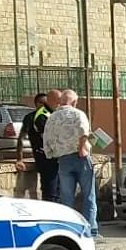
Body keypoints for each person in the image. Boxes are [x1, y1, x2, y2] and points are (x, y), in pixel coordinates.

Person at [43, 89, 98, 237]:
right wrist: (82, 148)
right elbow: (83, 132)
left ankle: (69, 228)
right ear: (74, 102)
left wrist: (51, 154)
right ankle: (90, 229)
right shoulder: (78, 114)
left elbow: (47, 138)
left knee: (66, 197)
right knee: (88, 195)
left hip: (63, 160)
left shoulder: (52, 117)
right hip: (81, 158)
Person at [15, 90, 60, 201]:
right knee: (50, 190)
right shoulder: (33, 117)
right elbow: (21, 137)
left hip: (54, 156)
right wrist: (19, 159)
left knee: (56, 189)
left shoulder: (51, 115)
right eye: (44, 103)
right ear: (38, 104)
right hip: (43, 156)